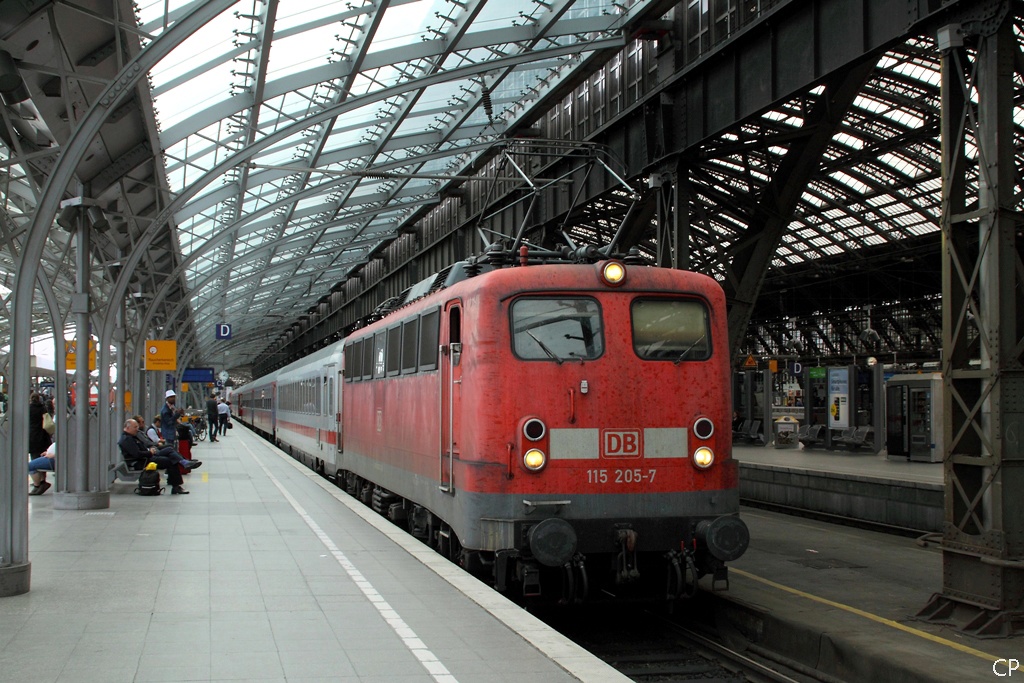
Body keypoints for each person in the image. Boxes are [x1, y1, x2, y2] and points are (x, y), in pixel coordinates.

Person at [118, 418, 202, 495]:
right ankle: (178, 480)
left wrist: (150, 450)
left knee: (169, 449)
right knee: (170, 461)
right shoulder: (127, 439)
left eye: (137, 426)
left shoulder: (132, 436)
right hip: (142, 461)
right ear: (128, 428)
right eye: (135, 427)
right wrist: (150, 452)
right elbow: (137, 454)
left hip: (147, 457)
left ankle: (185, 463)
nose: (137, 428)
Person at [29, 392, 52, 461]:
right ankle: (42, 471)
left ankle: (34, 470)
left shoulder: (28, 409)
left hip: (31, 436)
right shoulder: (43, 408)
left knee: (34, 457)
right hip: (43, 436)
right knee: (43, 457)